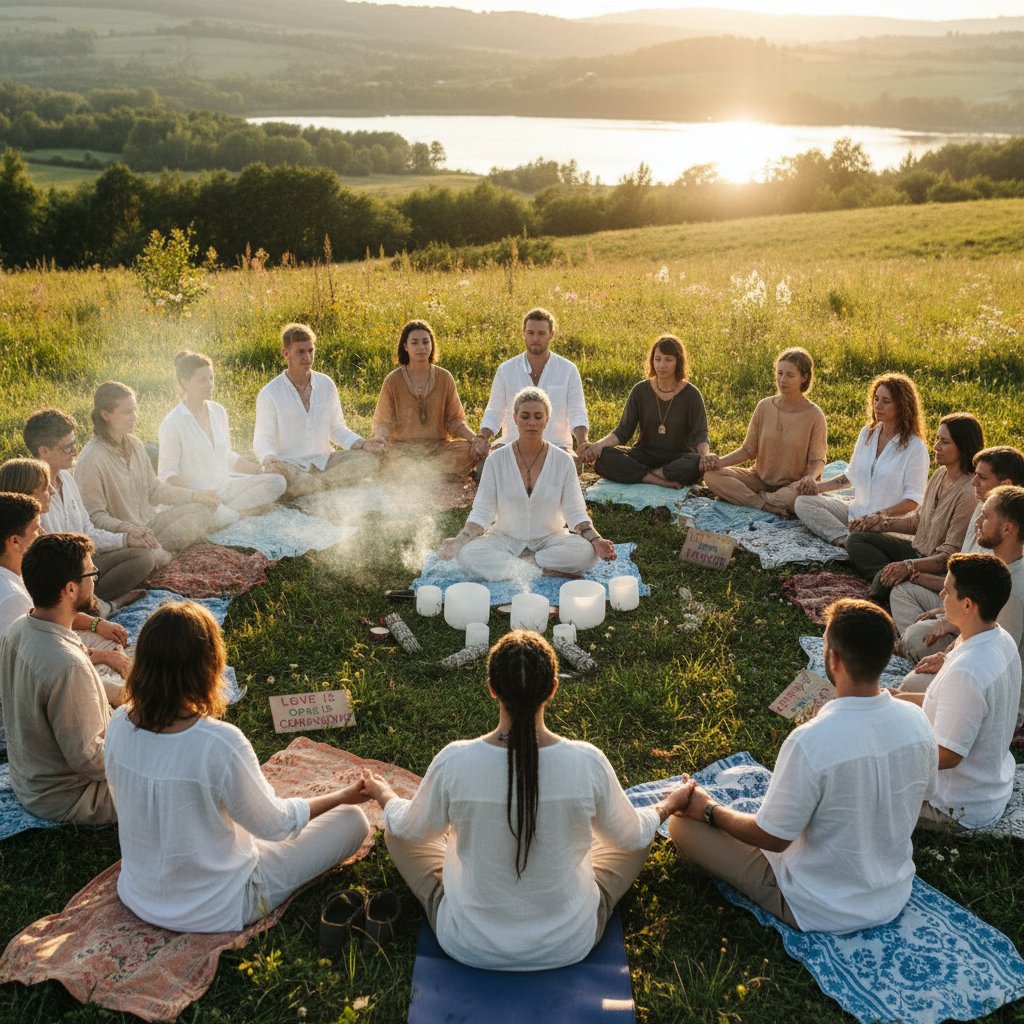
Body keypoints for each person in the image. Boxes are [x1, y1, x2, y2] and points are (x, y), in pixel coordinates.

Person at [360, 630, 694, 970]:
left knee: (395, 833)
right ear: (553, 688)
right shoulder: (587, 762)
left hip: (468, 943)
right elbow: (632, 836)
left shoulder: (454, 761)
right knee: (637, 838)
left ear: (491, 688)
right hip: (569, 943)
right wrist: (666, 805)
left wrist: (384, 795)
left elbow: (409, 830)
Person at [670, 599, 937, 934]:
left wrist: (708, 809)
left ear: (833, 658)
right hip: (892, 891)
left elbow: (772, 838)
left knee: (682, 826)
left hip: (821, 905)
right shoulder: (918, 720)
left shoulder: (811, 741)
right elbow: (924, 794)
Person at [103, 602, 370, 932]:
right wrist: (342, 796)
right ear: (208, 666)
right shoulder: (220, 743)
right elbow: (278, 826)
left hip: (139, 893)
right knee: (353, 821)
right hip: (221, 904)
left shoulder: (117, 723)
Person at [896, 554, 1021, 831]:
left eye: (948, 589)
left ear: (967, 604)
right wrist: (894, 699)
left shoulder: (968, 672)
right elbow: (944, 704)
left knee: (855, 786)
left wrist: (888, 757)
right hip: (986, 784)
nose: (941, 593)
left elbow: (948, 754)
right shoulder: (999, 638)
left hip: (955, 807)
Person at [439, 388, 615, 581]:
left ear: (547, 419)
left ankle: (519, 568)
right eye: (525, 416)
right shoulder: (495, 460)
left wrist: (596, 540)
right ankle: (543, 571)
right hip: (504, 538)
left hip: (550, 539)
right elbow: (482, 512)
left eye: (538, 416)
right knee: (467, 553)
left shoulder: (563, 461)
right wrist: (459, 541)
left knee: (586, 554)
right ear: (515, 418)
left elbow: (575, 512)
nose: (531, 422)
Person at [0, 533, 115, 824]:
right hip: (73, 795)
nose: (95, 580)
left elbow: (59, 695)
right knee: (180, 770)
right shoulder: (67, 665)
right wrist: (144, 745)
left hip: (30, 777)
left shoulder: (21, 627)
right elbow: (90, 760)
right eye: (91, 573)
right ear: (71, 589)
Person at [899, 487, 1024, 700]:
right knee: (914, 672)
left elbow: (997, 665)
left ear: (1007, 529)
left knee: (910, 685)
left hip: (992, 691)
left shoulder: (1013, 591)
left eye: (985, 517)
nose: (977, 522)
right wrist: (945, 655)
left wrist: (948, 664)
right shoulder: (997, 567)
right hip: (970, 658)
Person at [24, 408, 156, 609]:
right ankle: (93, 606)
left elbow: (87, 530)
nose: (75, 451)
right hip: (59, 576)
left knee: (143, 557)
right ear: (44, 451)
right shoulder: (30, 492)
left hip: (85, 564)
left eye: (74, 444)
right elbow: (41, 559)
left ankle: (92, 602)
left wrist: (125, 538)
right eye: (68, 447)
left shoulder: (67, 479)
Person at [892, 445, 1024, 646]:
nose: (973, 482)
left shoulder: (1011, 584)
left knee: (916, 640)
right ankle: (919, 639)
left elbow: (996, 649)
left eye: (982, 477)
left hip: (969, 626)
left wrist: (951, 623)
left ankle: (916, 642)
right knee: (902, 592)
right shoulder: (984, 507)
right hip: (961, 606)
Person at [76, 381, 219, 561]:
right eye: (127, 412)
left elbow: (155, 490)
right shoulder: (91, 459)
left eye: (134, 410)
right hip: (126, 537)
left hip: (152, 525)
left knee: (202, 509)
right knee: (146, 557)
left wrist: (195, 495)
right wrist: (128, 530)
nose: (134, 416)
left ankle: (159, 552)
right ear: (106, 414)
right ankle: (157, 555)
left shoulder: (135, 444)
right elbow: (94, 517)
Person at [846, 413, 983, 600]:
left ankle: (891, 579)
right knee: (857, 539)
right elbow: (918, 521)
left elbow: (948, 557)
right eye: (936, 439)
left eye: (944, 442)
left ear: (963, 447)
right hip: (916, 550)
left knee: (880, 584)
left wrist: (909, 566)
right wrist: (881, 523)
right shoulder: (940, 474)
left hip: (935, 566)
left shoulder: (968, 493)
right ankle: (892, 577)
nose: (936, 447)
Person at [794, 373, 928, 546]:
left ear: (902, 406)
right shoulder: (868, 433)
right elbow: (850, 478)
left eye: (886, 401)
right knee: (803, 502)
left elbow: (913, 502)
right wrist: (816, 487)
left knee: (870, 535)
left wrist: (878, 516)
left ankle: (855, 541)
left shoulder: (914, 447)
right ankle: (844, 539)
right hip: (855, 514)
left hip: (887, 524)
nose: (878, 406)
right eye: (876, 399)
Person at [159, 350, 286, 528]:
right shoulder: (173, 422)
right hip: (197, 497)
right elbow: (168, 476)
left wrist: (261, 470)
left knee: (277, 481)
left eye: (211, 378)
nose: (209, 384)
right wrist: (199, 495)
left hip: (225, 487)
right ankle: (240, 512)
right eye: (202, 380)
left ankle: (234, 511)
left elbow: (227, 456)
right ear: (185, 382)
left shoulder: (218, 411)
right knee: (222, 517)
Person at [253, 322, 378, 498]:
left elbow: (337, 429)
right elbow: (262, 439)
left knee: (367, 460)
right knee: (278, 477)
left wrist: (363, 444)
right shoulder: (269, 393)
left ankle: (315, 486)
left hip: (325, 462)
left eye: (311, 351)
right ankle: (320, 485)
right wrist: (268, 458)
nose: (307, 357)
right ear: (286, 353)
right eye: (300, 352)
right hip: (291, 465)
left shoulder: (326, 383)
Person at [701, 348, 826, 517]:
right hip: (758, 479)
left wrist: (811, 477)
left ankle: (757, 499)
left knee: (793, 499)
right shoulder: (764, 406)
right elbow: (748, 450)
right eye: (779, 373)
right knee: (711, 477)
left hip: (793, 486)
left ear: (804, 378)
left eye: (790, 375)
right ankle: (765, 504)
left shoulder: (814, 415)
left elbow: (817, 459)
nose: (782, 380)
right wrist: (718, 463)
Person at [586, 334, 710, 489]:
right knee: (604, 457)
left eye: (668, 359)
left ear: (679, 362)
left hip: (678, 457)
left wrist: (705, 457)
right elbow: (623, 431)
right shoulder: (640, 390)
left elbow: (700, 434)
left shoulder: (691, 394)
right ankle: (657, 479)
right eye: (657, 359)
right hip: (644, 454)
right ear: (652, 360)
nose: (662, 365)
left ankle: (644, 474)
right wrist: (598, 445)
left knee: (696, 463)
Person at [365, 321, 479, 479]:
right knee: (383, 457)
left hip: (438, 448)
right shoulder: (393, 380)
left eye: (426, 342)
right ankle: (433, 474)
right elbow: (384, 422)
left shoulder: (444, 378)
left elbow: (455, 420)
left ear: (432, 345)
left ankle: (419, 474)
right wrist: (379, 438)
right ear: (405, 346)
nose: (421, 347)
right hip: (402, 450)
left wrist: (474, 439)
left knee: (467, 450)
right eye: (414, 343)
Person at [475, 308, 589, 463]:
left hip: (556, 446)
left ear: (551, 335)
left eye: (541, 333)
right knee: (486, 465)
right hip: (512, 444)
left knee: (571, 466)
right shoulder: (506, 369)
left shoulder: (568, 369)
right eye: (530, 333)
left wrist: (582, 442)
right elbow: (495, 411)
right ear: (524, 334)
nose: (535, 338)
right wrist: (483, 437)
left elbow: (577, 412)